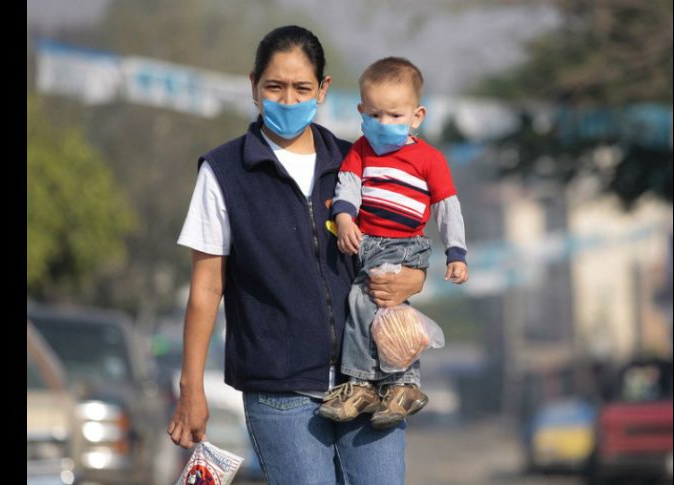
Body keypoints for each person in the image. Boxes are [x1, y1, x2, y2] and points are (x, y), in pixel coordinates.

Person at [166, 26, 426, 485]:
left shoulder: (359, 166)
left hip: (369, 385)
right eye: (275, 87)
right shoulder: (223, 173)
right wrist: (192, 388)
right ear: (254, 87)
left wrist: (414, 280)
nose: (288, 100)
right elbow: (206, 288)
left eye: (302, 88)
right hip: (279, 393)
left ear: (323, 90)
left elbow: (400, 250)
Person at [317, 57, 469, 430]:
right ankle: (402, 385)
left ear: (417, 116)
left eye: (395, 116)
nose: (384, 124)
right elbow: (348, 189)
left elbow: (448, 207)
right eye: (376, 115)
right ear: (361, 112)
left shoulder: (429, 160)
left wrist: (456, 252)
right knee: (388, 313)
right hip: (368, 242)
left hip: (404, 245)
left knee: (364, 301)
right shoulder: (361, 151)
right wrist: (344, 218)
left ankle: (361, 382)